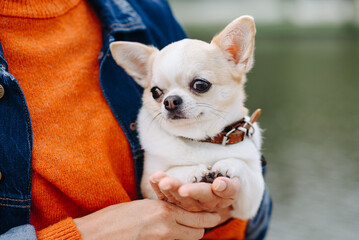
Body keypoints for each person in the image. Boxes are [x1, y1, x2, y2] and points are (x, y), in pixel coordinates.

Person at [0, 0, 272, 239]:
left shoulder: (145, 8)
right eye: (158, 92)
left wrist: (224, 211)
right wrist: (82, 236)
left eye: (199, 85)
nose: (171, 102)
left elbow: (255, 215)